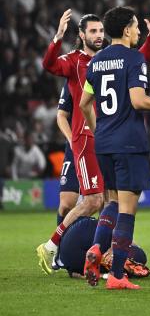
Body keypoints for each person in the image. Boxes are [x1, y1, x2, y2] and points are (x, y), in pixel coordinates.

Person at [36, 9, 150, 275]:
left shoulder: (106, 60)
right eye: (92, 31)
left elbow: (137, 60)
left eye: (100, 31)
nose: (98, 36)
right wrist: (57, 37)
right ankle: (53, 246)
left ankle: (100, 254)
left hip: (105, 136)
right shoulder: (74, 61)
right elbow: (50, 66)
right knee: (95, 200)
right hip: (88, 137)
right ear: (81, 35)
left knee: (107, 200)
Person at [80, 5, 150, 289]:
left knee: (112, 201)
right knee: (127, 210)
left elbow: (83, 104)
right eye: (136, 26)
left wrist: (100, 130)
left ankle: (96, 248)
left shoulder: (95, 62)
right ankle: (117, 276)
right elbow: (138, 101)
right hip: (129, 143)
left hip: (104, 144)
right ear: (126, 30)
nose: (138, 31)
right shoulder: (133, 60)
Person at [53, 216, 150, 279]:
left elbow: (73, 272)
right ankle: (113, 268)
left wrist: (105, 276)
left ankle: (110, 269)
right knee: (138, 257)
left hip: (68, 250)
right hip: (71, 254)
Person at [55, 82, 80, 226]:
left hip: (101, 145)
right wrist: (72, 140)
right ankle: (59, 244)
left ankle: (103, 244)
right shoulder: (72, 80)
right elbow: (61, 115)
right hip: (76, 146)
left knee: (104, 202)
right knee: (66, 203)